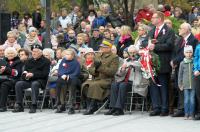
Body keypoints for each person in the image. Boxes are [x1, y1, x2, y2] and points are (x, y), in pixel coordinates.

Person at [148, 11, 175, 116]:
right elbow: (147, 42)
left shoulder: (169, 31)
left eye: (154, 17)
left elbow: (169, 45)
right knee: (153, 85)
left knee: (163, 85)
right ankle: (156, 107)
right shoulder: (152, 30)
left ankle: (164, 108)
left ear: (160, 19)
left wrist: (156, 46)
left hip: (163, 62)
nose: (152, 19)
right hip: (151, 63)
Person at [82, 40, 119, 115]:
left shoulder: (114, 57)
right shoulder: (98, 55)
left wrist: (100, 67)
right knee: (85, 85)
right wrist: (95, 70)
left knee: (94, 85)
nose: (101, 48)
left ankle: (91, 107)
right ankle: (91, 105)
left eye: (103, 47)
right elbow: (91, 69)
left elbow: (112, 72)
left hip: (107, 79)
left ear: (109, 48)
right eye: (101, 47)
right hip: (96, 78)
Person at [12, 44, 50, 113]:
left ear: (41, 52)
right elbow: (24, 72)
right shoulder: (29, 61)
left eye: (36, 51)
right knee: (18, 84)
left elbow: (44, 74)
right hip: (29, 80)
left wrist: (33, 74)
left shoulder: (46, 61)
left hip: (40, 81)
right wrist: (25, 76)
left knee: (34, 84)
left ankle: (34, 105)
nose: (34, 53)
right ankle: (19, 105)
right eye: (33, 51)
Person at [171, 23, 198, 117]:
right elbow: (176, 51)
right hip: (180, 66)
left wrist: (175, 61)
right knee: (180, 86)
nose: (179, 29)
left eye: (181, 28)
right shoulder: (180, 39)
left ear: (187, 30)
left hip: (188, 68)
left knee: (189, 90)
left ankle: (190, 110)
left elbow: (187, 53)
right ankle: (181, 108)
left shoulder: (193, 40)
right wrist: (173, 61)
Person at [104, 45, 140, 116]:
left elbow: (139, 66)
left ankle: (119, 109)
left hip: (134, 82)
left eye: (134, 52)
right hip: (124, 80)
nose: (132, 54)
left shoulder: (139, 60)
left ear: (137, 52)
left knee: (122, 85)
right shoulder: (126, 60)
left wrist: (130, 64)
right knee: (114, 84)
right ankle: (112, 108)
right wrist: (122, 69)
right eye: (130, 52)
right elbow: (119, 73)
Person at [55, 49, 81, 114]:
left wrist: (69, 76)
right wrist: (62, 75)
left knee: (73, 83)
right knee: (59, 82)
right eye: (66, 54)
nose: (66, 56)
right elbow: (60, 70)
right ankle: (61, 104)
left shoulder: (76, 62)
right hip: (64, 77)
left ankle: (71, 105)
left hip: (73, 78)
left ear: (72, 56)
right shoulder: (63, 61)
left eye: (68, 54)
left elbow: (77, 72)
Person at [0, 47, 23, 112]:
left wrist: (7, 69)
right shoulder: (3, 61)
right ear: (6, 54)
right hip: (4, 78)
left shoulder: (18, 61)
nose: (10, 54)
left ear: (15, 54)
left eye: (12, 53)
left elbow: (17, 73)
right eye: (8, 53)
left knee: (4, 85)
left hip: (14, 80)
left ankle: (2, 106)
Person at [178, 45, 195, 120]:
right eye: (187, 52)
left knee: (192, 100)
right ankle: (186, 114)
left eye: (190, 52)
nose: (189, 54)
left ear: (192, 53)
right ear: (184, 53)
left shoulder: (194, 62)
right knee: (186, 100)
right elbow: (180, 75)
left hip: (194, 85)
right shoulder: (182, 63)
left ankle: (191, 114)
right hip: (185, 85)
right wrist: (180, 84)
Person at [194, 43, 200, 120]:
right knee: (198, 93)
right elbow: (196, 58)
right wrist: (195, 69)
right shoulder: (198, 46)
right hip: (198, 72)